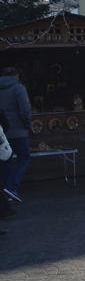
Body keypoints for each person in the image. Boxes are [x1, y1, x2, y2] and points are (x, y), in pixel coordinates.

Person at [0, 68, 32, 203]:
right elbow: (25, 109)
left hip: (2, 132)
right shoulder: (18, 88)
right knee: (24, 158)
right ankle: (11, 188)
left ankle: (6, 193)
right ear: (17, 76)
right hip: (17, 130)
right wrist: (27, 125)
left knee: (6, 160)